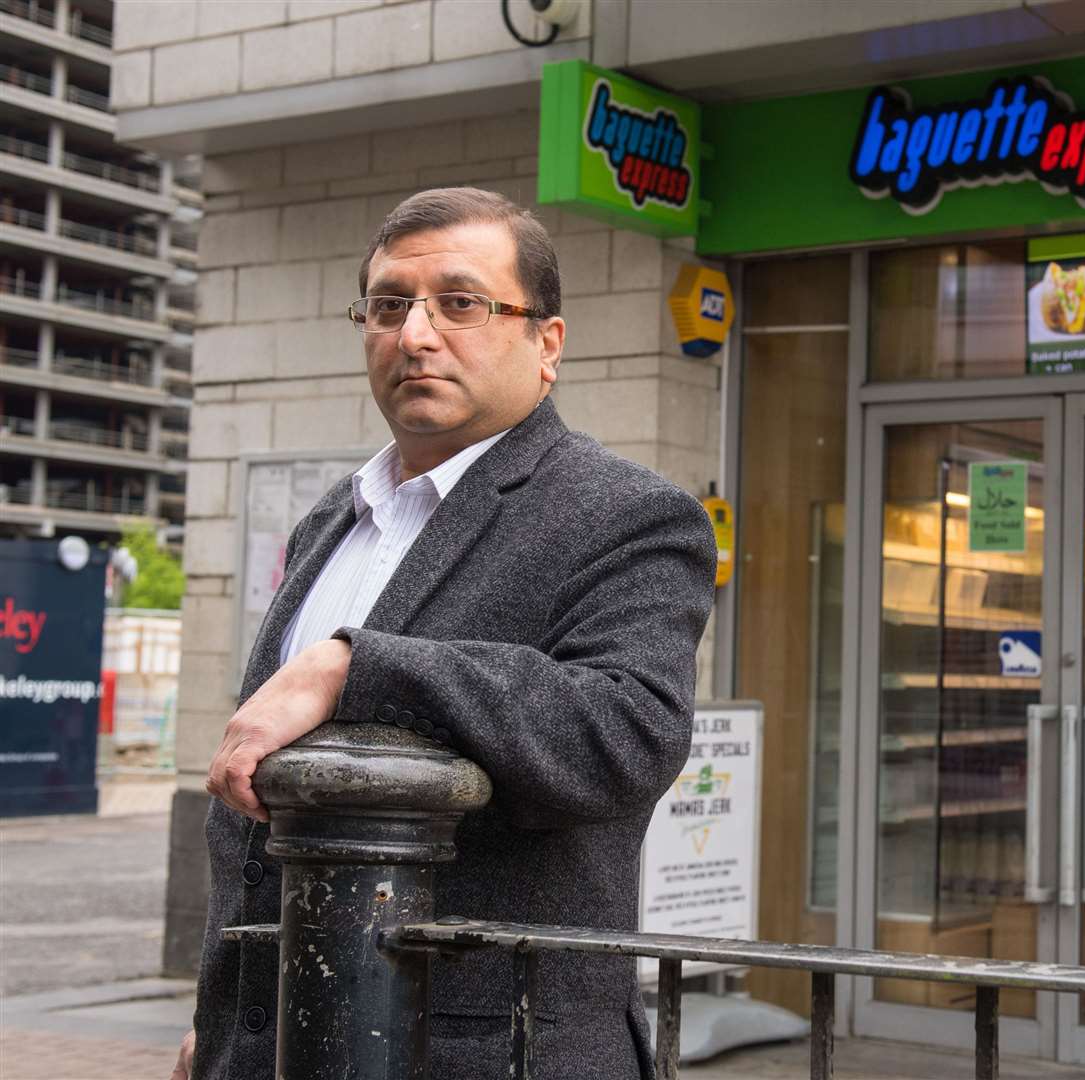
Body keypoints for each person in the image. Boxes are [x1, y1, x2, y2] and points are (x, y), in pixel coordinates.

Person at [171, 187, 717, 1080]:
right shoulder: (330, 523)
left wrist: (357, 669)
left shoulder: (627, 513)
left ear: (547, 343)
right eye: (389, 305)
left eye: (461, 303)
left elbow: (626, 733)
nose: (415, 335)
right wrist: (226, 1015)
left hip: (483, 1050)